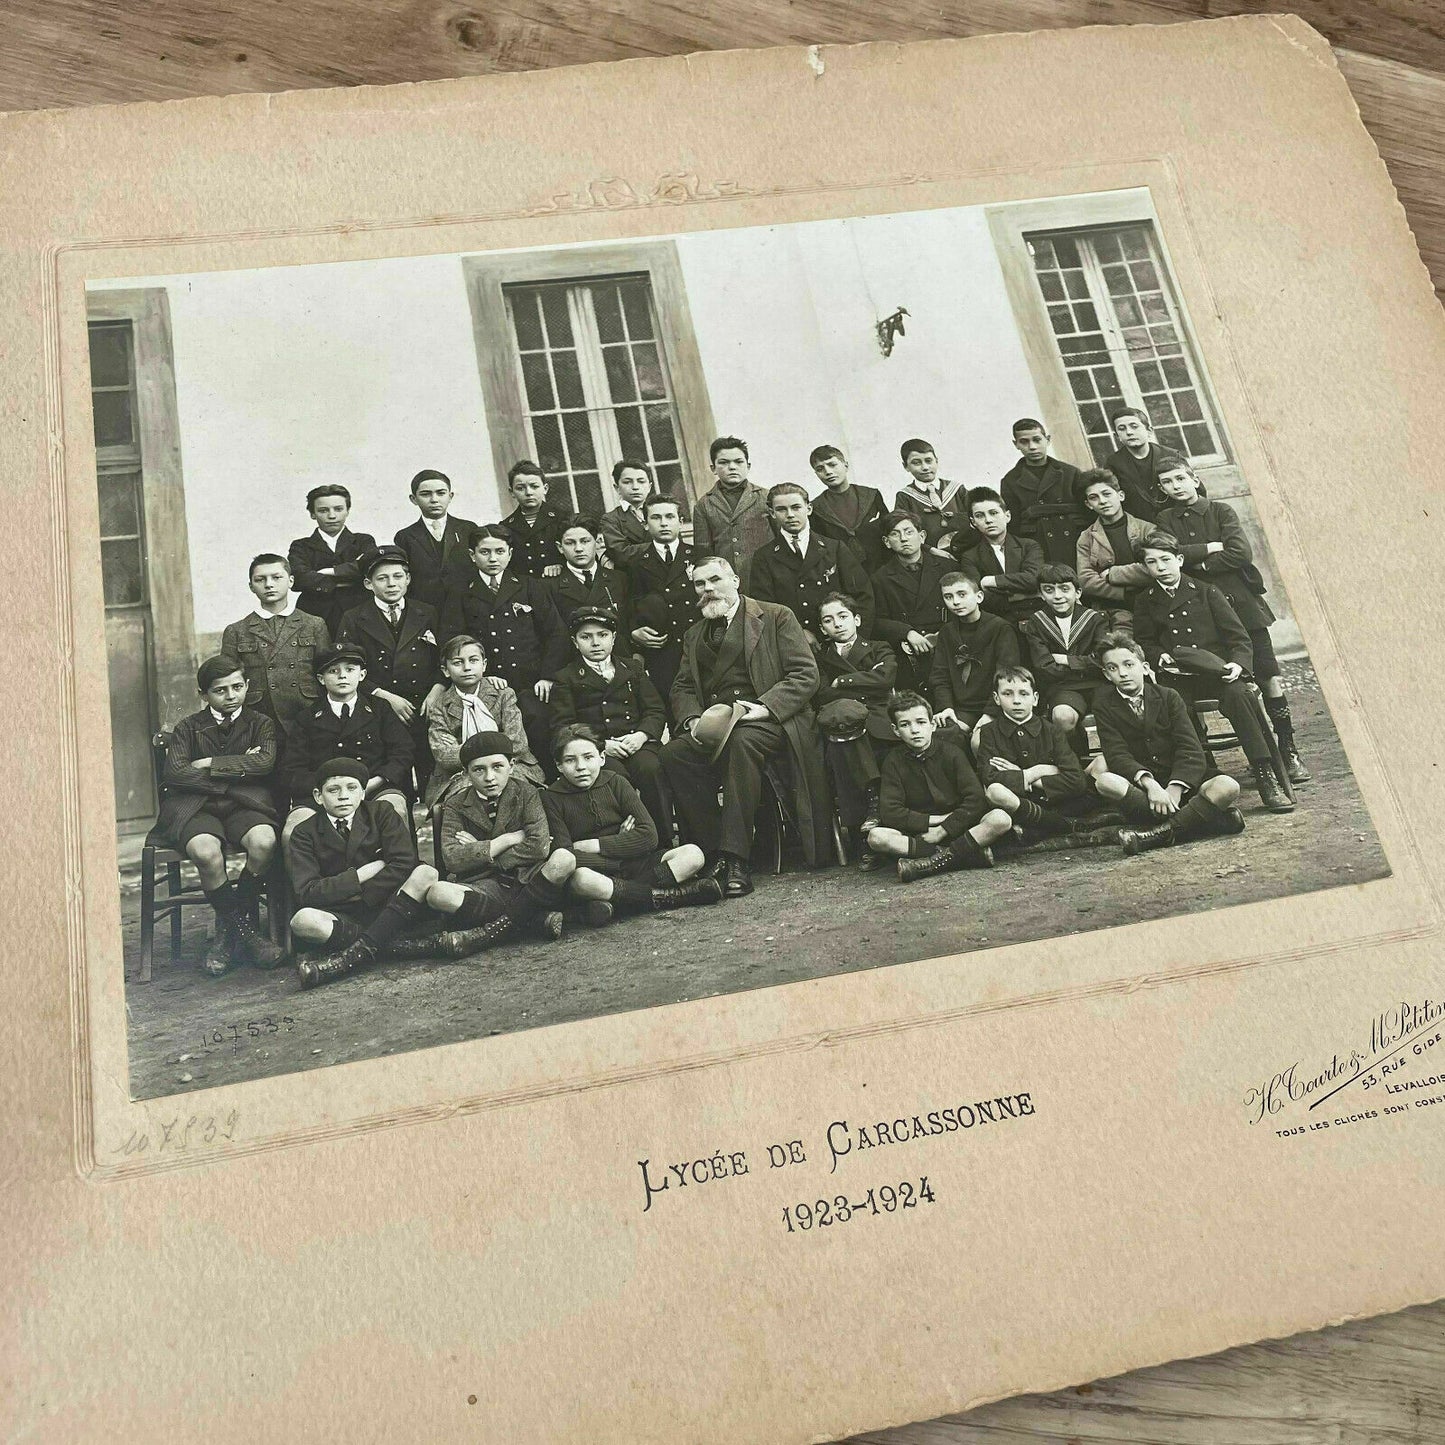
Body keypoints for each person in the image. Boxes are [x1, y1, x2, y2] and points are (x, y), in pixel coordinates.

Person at [662, 555, 831, 897]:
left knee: (742, 742)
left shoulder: (775, 615)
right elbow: (681, 686)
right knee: (673, 755)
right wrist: (694, 718)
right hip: (716, 725)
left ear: (735, 581)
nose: (708, 590)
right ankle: (712, 854)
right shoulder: (695, 633)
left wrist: (765, 707)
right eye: (700, 584)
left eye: (715, 580)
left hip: (771, 721)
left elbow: (805, 674)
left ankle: (737, 857)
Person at [1154, 453, 1309, 782]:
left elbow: (1240, 552)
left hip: (1242, 607)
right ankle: (1222, 760)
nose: (1175, 486)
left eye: (1180, 479)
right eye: (1167, 482)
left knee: (1267, 676)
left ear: (1194, 479)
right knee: (1219, 680)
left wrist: (1195, 561)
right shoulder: (1165, 519)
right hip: (1203, 613)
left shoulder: (1219, 510)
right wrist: (1211, 547)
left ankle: (1288, 748)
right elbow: (1169, 554)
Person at [1131, 532, 1295, 812]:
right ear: (1145, 567)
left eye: (1166, 560)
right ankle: (1205, 774)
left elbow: (1239, 637)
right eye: (1152, 562)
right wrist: (1160, 656)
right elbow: (1145, 642)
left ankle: (1264, 772)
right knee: (1173, 706)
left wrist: (1238, 664)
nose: (1161, 567)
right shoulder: (1145, 601)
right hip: (1179, 676)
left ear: (1180, 560)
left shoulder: (1206, 591)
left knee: (1240, 697)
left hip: (1217, 672)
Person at [155, 655, 287, 977]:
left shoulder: (261, 724)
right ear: (204, 694)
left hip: (245, 804)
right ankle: (245, 934)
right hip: (195, 806)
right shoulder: (188, 727)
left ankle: (229, 931)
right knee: (205, 851)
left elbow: (265, 764)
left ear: (247, 686)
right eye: (220, 690)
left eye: (237, 687)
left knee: (264, 841)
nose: (231, 696)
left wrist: (209, 763)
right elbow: (175, 775)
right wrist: (239, 766)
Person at [286, 758, 442, 989]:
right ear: (319, 796)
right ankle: (399, 945)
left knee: (426, 873)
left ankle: (354, 954)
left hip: (389, 905)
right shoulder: (304, 833)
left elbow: (404, 863)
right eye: (333, 790)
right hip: (343, 915)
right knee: (302, 921)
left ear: (362, 792)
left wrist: (361, 895)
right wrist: (359, 875)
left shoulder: (381, 812)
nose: (343, 796)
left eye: (351, 788)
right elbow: (307, 892)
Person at [543, 725, 723, 923]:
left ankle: (621, 900)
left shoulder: (616, 782)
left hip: (638, 865)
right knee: (581, 880)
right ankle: (675, 896)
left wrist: (596, 845)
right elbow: (566, 854)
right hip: (598, 872)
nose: (581, 767)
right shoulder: (551, 798)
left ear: (602, 758)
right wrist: (621, 847)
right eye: (570, 760)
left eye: (588, 757)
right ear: (558, 765)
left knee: (693, 854)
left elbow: (649, 836)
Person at [1090, 632, 1246, 854]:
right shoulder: (1104, 704)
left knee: (1228, 786)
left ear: (1144, 667)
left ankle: (1155, 834)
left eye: (1128, 664)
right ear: (1106, 674)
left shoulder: (1168, 696)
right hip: (1144, 790)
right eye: (1113, 668)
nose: (1123, 673)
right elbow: (1116, 754)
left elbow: (1190, 748)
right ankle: (1201, 822)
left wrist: (1175, 787)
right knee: (1105, 781)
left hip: (1182, 780)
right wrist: (1151, 785)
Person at [427, 730, 578, 949]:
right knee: (437, 893)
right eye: (479, 769)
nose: (489, 777)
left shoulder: (527, 792)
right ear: (465, 772)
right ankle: (533, 921)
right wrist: (506, 839)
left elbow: (539, 846)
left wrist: (484, 854)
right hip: (486, 886)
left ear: (512, 765)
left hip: (530, 880)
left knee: (564, 859)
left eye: (497, 766)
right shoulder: (455, 805)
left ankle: (490, 931)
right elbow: (452, 859)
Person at [440, 524, 568, 770]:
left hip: (532, 683)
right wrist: (483, 677)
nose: (493, 558)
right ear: (472, 555)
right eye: (485, 552)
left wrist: (547, 676)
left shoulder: (530, 586)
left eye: (499, 551)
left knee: (541, 729)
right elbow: (452, 640)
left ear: (510, 553)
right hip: (486, 688)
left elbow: (555, 633)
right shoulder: (460, 592)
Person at [865, 691, 1011, 880]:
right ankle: (964, 855)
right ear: (895, 730)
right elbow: (890, 811)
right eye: (905, 725)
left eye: (920, 722)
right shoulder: (893, 761)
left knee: (1001, 819)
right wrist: (934, 821)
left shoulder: (952, 753)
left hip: (960, 827)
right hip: (922, 833)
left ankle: (930, 862)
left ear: (932, 724)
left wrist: (944, 829)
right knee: (876, 837)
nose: (914, 730)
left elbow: (975, 799)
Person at [336, 546, 444, 799]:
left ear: (408, 579)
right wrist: (384, 696)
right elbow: (348, 669)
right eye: (382, 578)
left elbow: (445, 658)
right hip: (380, 710)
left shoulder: (427, 612)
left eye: (397, 576)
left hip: (425, 706)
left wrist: (438, 687)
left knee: (434, 785)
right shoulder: (353, 618)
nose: (391, 584)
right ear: (368, 584)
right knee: (395, 784)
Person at [550, 606, 668, 832]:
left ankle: (660, 837)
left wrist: (641, 736)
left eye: (602, 635)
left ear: (613, 638)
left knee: (652, 769)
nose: (595, 643)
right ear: (575, 642)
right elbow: (562, 725)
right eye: (586, 637)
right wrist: (602, 746)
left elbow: (655, 709)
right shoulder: (566, 677)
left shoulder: (632, 668)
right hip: (598, 750)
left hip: (636, 743)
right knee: (613, 778)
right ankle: (621, 839)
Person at [284, 644, 413, 850]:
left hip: (373, 787)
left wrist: (373, 782)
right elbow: (293, 769)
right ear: (321, 679)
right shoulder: (306, 718)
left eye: (350, 670)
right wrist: (327, 791)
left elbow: (402, 752)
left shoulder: (380, 709)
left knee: (395, 809)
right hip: (324, 794)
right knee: (293, 829)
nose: (342, 676)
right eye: (333, 671)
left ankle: (404, 874)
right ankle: (305, 882)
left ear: (362, 675)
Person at [812, 592, 898, 870]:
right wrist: (863, 681)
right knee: (842, 746)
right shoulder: (820, 658)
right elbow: (820, 693)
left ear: (857, 619)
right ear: (822, 628)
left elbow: (885, 679)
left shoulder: (878, 647)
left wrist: (842, 680)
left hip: (879, 719)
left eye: (843, 616)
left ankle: (874, 824)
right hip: (841, 723)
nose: (837, 624)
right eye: (828, 620)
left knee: (856, 743)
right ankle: (865, 834)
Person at [220, 553, 330, 746]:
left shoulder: (313, 624)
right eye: (260, 579)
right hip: (260, 718)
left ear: (291, 581)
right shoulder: (237, 630)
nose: (269, 584)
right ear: (251, 586)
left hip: (308, 715)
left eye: (276, 578)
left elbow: (326, 673)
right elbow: (228, 681)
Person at [748, 482, 874, 644]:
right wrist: (797, 633)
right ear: (772, 513)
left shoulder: (834, 548)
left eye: (796, 507)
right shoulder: (764, 556)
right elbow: (764, 608)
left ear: (809, 509)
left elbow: (863, 597)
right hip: (794, 645)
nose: (790, 515)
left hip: (840, 642)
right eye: (781, 510)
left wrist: (855, 640)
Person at [975, 665, 1092, 839]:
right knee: (996, 792)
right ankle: (1055, 825)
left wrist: (1022, 778)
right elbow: (990, 778)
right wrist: (1035, 772)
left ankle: (1035, 827)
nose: (1016, 701)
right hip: (1015, 804)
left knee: (1084, 797)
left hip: (1054, 802)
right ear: (996, 698)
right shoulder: (989, 733)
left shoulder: (1051, 731)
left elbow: (1076, 780)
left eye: (1024, 694)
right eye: (1007, 694)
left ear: (1035, 698)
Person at [425, 633, 543, 805]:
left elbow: (517, 743)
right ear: (445, 670)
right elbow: (444, 755)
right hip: (462, 773)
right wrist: (495, 742)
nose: (467, 667)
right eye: (458, 663)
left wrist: (466, 748)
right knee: (465, 795)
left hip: (511, 766)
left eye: (473, 660)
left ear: (484, 664)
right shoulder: (440, 705)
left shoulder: (503, 694)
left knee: (517, 789)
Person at [1018, 563, 1110, 745]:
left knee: (1114, 713)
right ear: (1041, 595)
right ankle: (1073, 759)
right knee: (1062, 717)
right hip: (1062, 687)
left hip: (1098, 684)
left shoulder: (1095, 618)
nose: (1058, 596)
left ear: (1078, 593)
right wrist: (1085, 665)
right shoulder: (1037, 622)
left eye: (1064, 589)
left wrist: (1066, 659)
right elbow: (1043, 667)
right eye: (1049, 590)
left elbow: (1103, 661)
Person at [928, 569, 1019, 750]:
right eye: (948, 597)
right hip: (962, 709)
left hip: (997, 706)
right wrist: (946, 707)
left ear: (979, 597)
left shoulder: (1000, 628)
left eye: (962, 594)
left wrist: (990, 714)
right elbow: (940, 676)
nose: (955, 602)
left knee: (982, 742)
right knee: (940, 738)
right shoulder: (947, 632)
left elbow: (1007, 677)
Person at [626, 493, 695, 713]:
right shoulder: (634, 564)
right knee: (674, 712)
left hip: (697, 646)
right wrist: (633, 633)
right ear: (645, 524)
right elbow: (628, 606)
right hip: (661, 652)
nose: (663, 523)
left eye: (669, 516)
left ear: (680, 522)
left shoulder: (700, 556)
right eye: (656, 518)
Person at [869, 511, 951, 694]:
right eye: (895, 534)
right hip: (907, 651)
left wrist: (943, 634)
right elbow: (876, 620)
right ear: (886, 542)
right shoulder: (880, 578)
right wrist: (907, 632)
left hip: (947, 645)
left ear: (921, 536)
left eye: (908, 532)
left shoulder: (947, 567)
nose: (903, 539)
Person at [287, 483, 377, 638]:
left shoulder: (363, 541)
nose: (332, 516)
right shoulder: (301, 546)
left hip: (360, 612)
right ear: (312, 514)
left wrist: (330, 572)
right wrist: (348, 578)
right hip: (314, 614)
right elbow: (298, 579)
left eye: (338, 509)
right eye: (323, 510)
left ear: (348, 510)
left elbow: (369, 569)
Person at [998, 418, 1088, 566]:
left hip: (1074, 540)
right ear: (1016, 444)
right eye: (1024, 442)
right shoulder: (1010, 481)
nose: (1032, 447)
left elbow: (1087, 513)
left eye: (1037, 440)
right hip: (1039, 545)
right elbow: (1013, 525)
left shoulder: (1070, 473)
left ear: (1048, 440)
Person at [951, 487, 1045, 624]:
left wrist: (992, 581)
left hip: (1036, 618)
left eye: (993, 513)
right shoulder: (970, 556)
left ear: (1007, 516)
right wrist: (1024, 595)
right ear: (973, 522)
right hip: (998, 622)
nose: (988, 520)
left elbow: (1032, 579)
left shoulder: (1029, 546)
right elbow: (978, 596)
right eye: (979, 516)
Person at [1075, 468, 1155, 628]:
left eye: (1107, 494)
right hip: (1111, 609)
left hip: (1153, 601)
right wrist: (1125, 594)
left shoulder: (1147, 529)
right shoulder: (1087, 537)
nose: (1102, 501)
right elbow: (1086, 580)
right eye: (1094, 498)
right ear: (1088, 505)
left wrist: (1113, 574)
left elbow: (1155, 567)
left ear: (1121, 495)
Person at [392, 469, 481, 610]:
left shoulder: (468, 529)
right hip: (425, 609)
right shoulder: (405, 536)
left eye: (441, 493)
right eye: (426, 494)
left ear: (450, 496)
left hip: (467, 606)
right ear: (413, 499)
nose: (434, 500)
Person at [690, 435, 773, 587]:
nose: (732, 467)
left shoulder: (766, 497)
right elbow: (704, 551)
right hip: (727, 581)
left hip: (766, 576)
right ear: (713, 468)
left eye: (738, 462)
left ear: (748, 466)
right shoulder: (703, 505)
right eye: (724, 462)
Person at [547, 514, 632, 641]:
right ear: (560, 547)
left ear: (597, 542)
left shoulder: (619, 579)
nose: (579, 549)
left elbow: (628, 625)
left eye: (585, 541)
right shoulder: (549, 586)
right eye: (570, 543)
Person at [808, 444, 889, 573]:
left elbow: (889, 529)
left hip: (882, 567)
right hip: (845, 572)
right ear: (816, 474)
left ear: (846, 465)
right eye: (820, 469)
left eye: (832, 465)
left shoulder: (871, 495)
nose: (828, 472)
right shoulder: (816, 508)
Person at [1103, 408, 1190, 522]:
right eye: (1122, 429)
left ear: (1149, 430)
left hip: (1179, 521)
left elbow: (1195, 490)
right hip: (1140, 527)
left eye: (1134, 426)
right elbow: (1112, 499)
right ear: (1117, 436)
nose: (1129, 432)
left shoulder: (1172, 455)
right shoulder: (1114, 463)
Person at [497, 460, 569, 579]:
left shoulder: (563, 518)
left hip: (560, 584)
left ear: (545, 489)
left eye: (534, 486)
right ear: (512, 492)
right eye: (520, 488)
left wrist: (561, 565)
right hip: (526, 590)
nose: (528, 492)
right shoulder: (506, 527)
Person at [894, 438, 966, 554]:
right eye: (916, 463)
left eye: (929, 461)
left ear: (936, 461)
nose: (925, 467)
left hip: (966, 549)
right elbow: (904, 532)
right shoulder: (905, 496)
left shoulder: (957, 489)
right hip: (931, 555)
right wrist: (930, 550)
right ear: (905, 466)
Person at [600, 459, 656, 570]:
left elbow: (676, 546)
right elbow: (620, 554)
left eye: (641, 481)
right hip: (633, 579)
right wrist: (660, 546)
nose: (635, 487)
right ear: (617, 488)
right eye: (627, 482)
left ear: (649, 487)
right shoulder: (611, 519)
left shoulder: (663, 512)